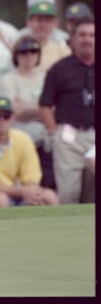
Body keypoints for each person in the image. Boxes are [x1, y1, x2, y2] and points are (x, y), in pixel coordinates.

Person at [0, 96, 59, 208]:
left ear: (13, 118)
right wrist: (22, 192)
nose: (1, 121)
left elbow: (31, 177)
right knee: (0, 200)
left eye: (6, 116)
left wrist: (31, 193)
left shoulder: (23, 139)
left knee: (49, 196)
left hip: (16, 191)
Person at [39, 18, 95, 204]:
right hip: (69, 137)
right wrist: (54, 133)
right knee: (69, 193)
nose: (87, 39)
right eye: (82, 35)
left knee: (93, 193)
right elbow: (45, 104)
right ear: (72, 39)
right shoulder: (59, 69)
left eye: (92, 35)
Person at [0, 36, 48, 149]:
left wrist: (24, 106)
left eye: (33, 52)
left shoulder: (46, 77)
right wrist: (41, 107)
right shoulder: (7, 79)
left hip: (44, 129)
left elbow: (54, 108)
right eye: (24, 52)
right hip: (18, 129)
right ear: (16, 55)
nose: (29, 56)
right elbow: (13, 111)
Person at [21, 2, 71, 73]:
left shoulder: (63, 51)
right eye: (39, 20)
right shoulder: (20, 50)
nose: (43, 25)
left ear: (55, 23)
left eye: (47, 20)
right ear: (28, 22)